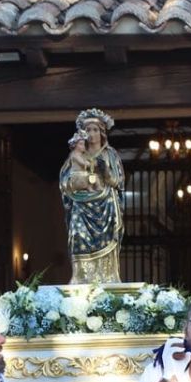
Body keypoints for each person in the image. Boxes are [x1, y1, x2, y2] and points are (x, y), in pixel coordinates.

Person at [59, 108, 124, 285]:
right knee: (78, 236)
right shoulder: (77, 155)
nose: (92, 134)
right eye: (88, 130)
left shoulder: (110, 154)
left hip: (105, 207)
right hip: (81, 205)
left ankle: (108, 277)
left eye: (95, 130)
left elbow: (117, 182)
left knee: (107, 240)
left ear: (102, 132)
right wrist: (78, 183)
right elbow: (65, 182)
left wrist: (105, 171)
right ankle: (81, 277)